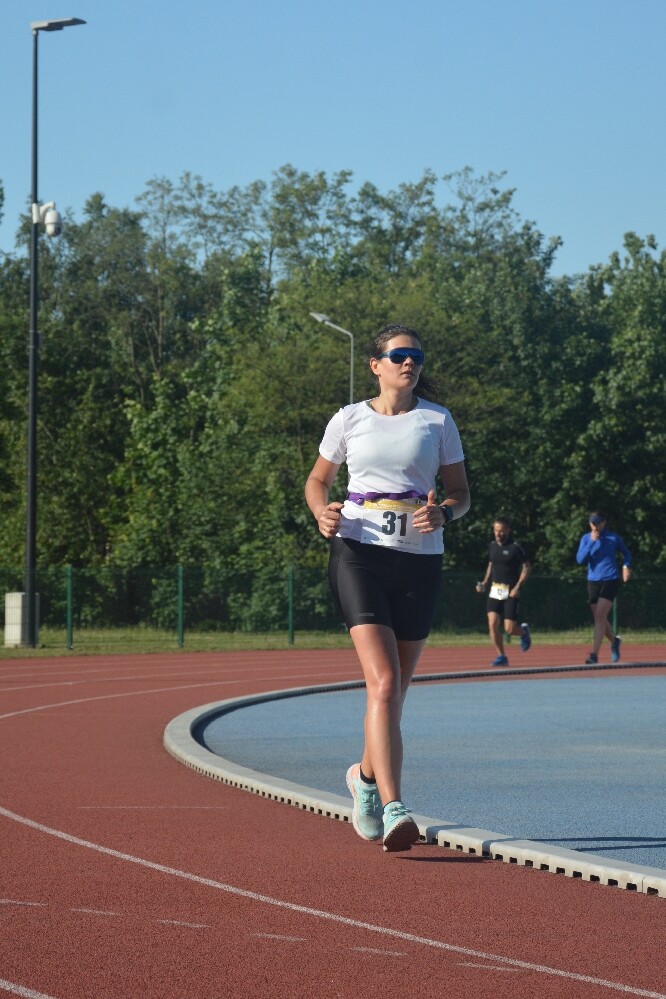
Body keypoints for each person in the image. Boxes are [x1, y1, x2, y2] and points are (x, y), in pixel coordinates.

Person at [304, 323, 470, 852]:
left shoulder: (437, 420)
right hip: (359, 553)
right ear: (376, 365)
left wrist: (445, 512)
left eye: (416, 355)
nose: (409, 363)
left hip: (419, 560)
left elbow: (461, 493)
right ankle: (396, 806)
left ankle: (364, 778)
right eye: (399, 355)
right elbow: (317, 480)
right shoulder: (349, 418)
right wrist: (321, 512)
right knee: (383, 682)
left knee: (394, 692)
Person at [576, 511, 632, 665]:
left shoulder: (613, 538)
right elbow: (580, 560)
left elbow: (627, 554)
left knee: (600, 615)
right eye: (592, 523)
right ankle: (615, 641)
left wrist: (626, 566)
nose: (594, 526)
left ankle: (594, 654)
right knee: (599, 617)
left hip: (610, 579)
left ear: (604, 522)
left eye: (597, 523)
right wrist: (592, 542)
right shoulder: (586, 538)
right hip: (593, 581)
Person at [475, 518, 531, 667]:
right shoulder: (492, 546)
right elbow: (491, 565)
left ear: (507, 530)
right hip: (495, 591)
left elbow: (526, 567)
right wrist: (484, 582)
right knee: (492, 624)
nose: (498, 533)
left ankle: (523, 632)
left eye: (501, 531)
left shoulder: (515, 547)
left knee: (509, 629)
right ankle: (501, 656)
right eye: (496, 530)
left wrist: (517, 587)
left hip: (511, 592)